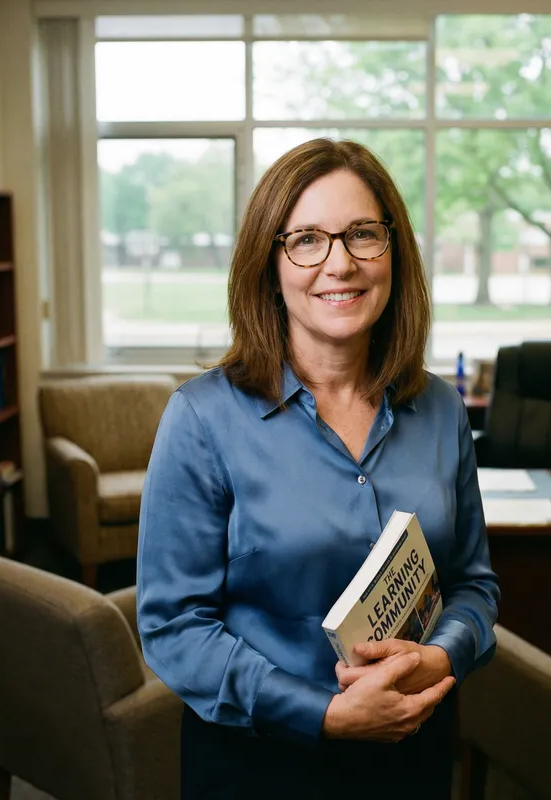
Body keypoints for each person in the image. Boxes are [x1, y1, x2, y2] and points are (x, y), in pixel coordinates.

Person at [136, 138, 500, 799]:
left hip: (411, 757)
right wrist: (324, 715)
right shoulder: (202, 419)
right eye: (306, 239)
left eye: (363, 234)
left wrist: (440, 654)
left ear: (394, 250)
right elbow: (173, 627)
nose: (340, 263)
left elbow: (474, 584)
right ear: (269, 263)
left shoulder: (443, 410)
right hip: (260, 768)